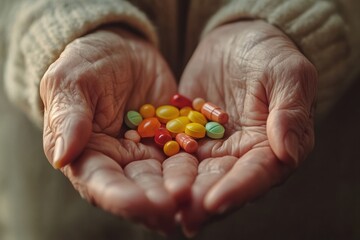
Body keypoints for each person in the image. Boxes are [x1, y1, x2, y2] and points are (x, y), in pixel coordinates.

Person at [0, 0, 359, 239]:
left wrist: (285, 18)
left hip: (308, 205)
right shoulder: (168, 124)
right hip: (57, 215)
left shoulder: (190, 122)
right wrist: (64, 27)